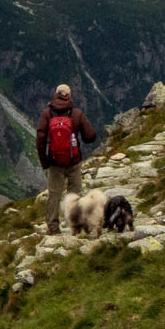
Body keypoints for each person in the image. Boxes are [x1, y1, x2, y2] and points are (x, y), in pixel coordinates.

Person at [36, 83, 98, 234]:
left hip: (54, 162)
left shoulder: (47, 114)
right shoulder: (77, 114)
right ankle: (75, 225)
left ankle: (53, 227)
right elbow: (91, 136)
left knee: (54, 195)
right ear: (69, 96)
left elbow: (40, 139)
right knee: (74, 194)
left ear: (56, 94)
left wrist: (45, 161)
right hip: (74, 161)